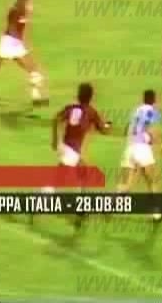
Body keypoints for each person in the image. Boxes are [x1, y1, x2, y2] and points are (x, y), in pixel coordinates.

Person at [52, 83, 111, 229]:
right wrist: (108, 126)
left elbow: (55, 119)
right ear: (91, 97)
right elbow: (103, 129)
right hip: (73, 150)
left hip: (65, 147)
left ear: (79, 95)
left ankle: (81, 209)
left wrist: (55, 140)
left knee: (78, 176)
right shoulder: (91, 112)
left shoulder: (71, 108)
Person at [117, 89, 162, 222]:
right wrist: (159, 144)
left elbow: (127, 129)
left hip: (130, 148)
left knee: (128, 184)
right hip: (142, 149)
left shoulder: (136, 111)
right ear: (154, 100)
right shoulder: (151, 110)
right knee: (152, 182)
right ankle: (156, 214)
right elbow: (151, 128)